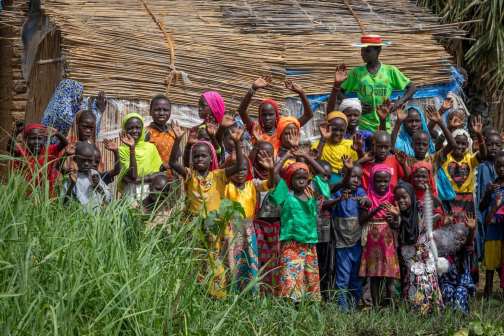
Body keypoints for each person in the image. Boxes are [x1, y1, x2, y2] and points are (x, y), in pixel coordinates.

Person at [169, 120, 246, 299]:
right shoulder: (190, 175)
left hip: (214, 226)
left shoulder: (219, 175)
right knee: (195, 260)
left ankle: (216, 297)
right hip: (194, 226)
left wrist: (236, 143)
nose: (199, 159)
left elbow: (241, 166)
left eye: (203, 156)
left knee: (216, 260)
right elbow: (173, 162)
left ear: (212, 158)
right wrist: (178, 140)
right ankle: (195, 296)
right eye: (196, 156)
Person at [268, 154, 330, 301]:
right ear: (290, 179)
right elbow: (275, 173)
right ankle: (287, 309)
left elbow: (322, 173)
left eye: (304, 177)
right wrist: (286, 157)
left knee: (309, 279)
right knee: (289, 278)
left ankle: (305, 312)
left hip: (308, 243)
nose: (302, 180)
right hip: (291, 243)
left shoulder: (311, 193)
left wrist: (304, 155)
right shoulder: (286, 194)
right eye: (297, 178)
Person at [384, 183, 444, 313]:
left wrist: (429, 193)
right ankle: (416, 310)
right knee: (414, 281)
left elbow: (438, 205)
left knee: (429, 279)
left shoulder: (420, 207)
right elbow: (395, 225)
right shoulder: (398, 212)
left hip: (425, 255)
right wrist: (395, 216)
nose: (401, 201)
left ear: (411, 195)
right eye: (398, 198)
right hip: (410, 257)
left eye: (404, 197)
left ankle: (433, 308)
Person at [338, 36, 417, 132]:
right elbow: (338, 92)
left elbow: (412, 88)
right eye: (362, 51)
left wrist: (396, 104)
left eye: (367, 51)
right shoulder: (356, 73)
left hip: (384, 124)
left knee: (384, 146)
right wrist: (355, 105)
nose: (363, 54)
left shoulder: (390, 71)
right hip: (363, 125)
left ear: (378, 50)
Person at [322, 159, 371, 310]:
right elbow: (325, 204)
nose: (355, 180)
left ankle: (353, 307)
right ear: (343, 175)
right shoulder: (337, 191)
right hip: (342, 244)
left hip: (357, 243)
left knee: (355, 280)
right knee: (342, 279)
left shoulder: (360, 192)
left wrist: (365, 201)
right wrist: (339, 199)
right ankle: (341, 310)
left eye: (358, 177)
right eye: (352, 176)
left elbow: (368, 203)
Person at [224, 151, 275, 293]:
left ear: (250, 169)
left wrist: (270, 169)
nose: (240, 172)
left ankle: (249, 294)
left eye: (244, 168)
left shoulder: (252, 184)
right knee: (231, 262)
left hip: (248, 228)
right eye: (236, 168)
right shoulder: (225, 185)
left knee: (249, 260)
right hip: (230, 228)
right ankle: (231, 294)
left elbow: (269, 184)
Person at [237, 77, 314, 154]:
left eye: (270, 114)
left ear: (276, 115)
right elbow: (242, 111)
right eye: (264, 115)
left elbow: (308, 115)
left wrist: (301, 93)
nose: (267, 118)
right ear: (259, 116)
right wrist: (253, 88)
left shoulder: (284, 129)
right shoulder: (256, 131)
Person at [358, 164, 400, 308]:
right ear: (372, 181)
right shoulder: (367, 198)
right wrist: (374, 211)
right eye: (378, 181)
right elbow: (361, 220)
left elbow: (396, 224)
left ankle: (393, 310)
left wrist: (393, 217)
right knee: (374, 277)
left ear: (390, 181)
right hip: (372, 240)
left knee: (390, 278)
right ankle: (375, 308)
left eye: (385, 181)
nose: (382, 184)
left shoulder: (393, 198)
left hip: (388, 241)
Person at [400, 106, 456, 192]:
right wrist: (398, 122)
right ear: (412, 146)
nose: (421, 147)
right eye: (418, 144)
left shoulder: (434, 159)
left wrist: (440, 122)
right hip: (413, 200)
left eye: (424, 144)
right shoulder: (406, 159)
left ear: (429, 146)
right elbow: (391, 147)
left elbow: (452, 144)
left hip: (431, 199)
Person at [8, 123, 68, 196]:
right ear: (25, 139)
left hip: (47, 195)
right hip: (27, 196)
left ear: (44, 139)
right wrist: (16, 132)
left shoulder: (48, 152)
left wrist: (57, 133)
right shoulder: (23, 153)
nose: (36, 142)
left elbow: (65, 143)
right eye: (32, 138)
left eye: (40, 138)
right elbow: (10, 149)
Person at [41, 79, 107, 143]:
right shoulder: (63, 113)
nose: (81, 100)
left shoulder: (57, 106)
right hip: (53, 150)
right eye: (80, 94)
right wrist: (99, 112)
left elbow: (82, 107)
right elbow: (86, 127)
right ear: (72, 96)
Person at [117, 113, 165, 199]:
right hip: (130, 191)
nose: (134, 131)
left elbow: (161, 174)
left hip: (149, 190)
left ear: (142, 129)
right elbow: (133, 175)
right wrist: (132, 148)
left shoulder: (151, 147)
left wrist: (140, 179)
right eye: (130, 128)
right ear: (124, 130)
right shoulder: (122, 149)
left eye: (138, 127)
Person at [438, 215, 477, 315]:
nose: (458, 242)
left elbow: (469, 242)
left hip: (462, 285)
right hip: (447, 283)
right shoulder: (445, 251)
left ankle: (460, 314)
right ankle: (447, 313)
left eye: (461, 239)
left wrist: (471, 230)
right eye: (455, 238)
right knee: (448, 289)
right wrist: (444, 227)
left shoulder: (466, 252)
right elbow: (440, 237)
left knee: (460, 291)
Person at [311, 111, 364, 183]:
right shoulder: (319, 145)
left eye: (341, 130)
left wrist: (359, 151)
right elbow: (314, 165)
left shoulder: (350, 145)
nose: (337, 133)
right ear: (327, 127)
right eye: (334, 129)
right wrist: (323, 139)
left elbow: (357, 167)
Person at [475, 131, 501, 265]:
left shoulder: (502, 166)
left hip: (498, 208)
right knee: (481, 226)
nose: (494, 148)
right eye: (490, 144)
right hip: (483, 205)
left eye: (497, 145)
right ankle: (481, 255)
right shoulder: (480, 166)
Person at [479, 151, 504, 298]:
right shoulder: (492, 186)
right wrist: (488, 193)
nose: (501, 169)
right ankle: (488, 292)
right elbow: (482, 208)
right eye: (498, 166)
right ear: (494, 167)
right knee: (490, 264)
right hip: (493, 230)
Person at [62, 142, 112, 213]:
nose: (86, 164)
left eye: (90, 160)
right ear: (75, 159)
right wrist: (72, 184)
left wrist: (98, 187)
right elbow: (65, 204)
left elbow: (107, 197)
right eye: (83, 160)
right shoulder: (71, 177)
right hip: (80, 219)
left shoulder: (94, 174)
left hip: (97, 219)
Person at [145, 95, 179, 180]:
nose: (161, 113)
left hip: (172, 181)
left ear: (170, 112)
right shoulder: (146, 133)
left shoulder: (173, 133)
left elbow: (176, 159)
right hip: (153, 181)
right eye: (157, 109)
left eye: (165, 110)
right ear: (150, 112)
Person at [410, 162, 444, 229]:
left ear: (429, 178)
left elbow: (439, 205)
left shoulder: (431, 191)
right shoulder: (409, 191)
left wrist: (429, 193)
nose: (420, 179)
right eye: (417, 176)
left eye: (424, 177)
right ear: (412, 176)